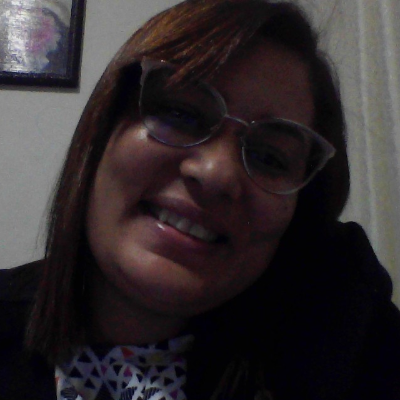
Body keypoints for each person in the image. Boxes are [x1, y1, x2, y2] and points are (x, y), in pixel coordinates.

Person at [1, 0, 400, 399]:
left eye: (269, 157)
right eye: (180, 113)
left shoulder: (349, 334)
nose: (216, 173)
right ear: (103, 128)